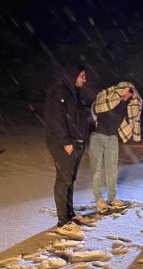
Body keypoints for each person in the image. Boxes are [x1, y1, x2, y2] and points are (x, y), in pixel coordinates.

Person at [44, 62, 92, 238]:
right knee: (64, 179)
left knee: (70, 178)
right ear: (73, 75)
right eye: (82, 76)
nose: (84, 80)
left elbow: (76, 118)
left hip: (76, 143)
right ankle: (62, 221)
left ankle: (69, 214)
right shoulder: (58, 91)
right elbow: (55, 118)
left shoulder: (73, 93)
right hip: (63, 144)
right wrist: (66, 141)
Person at [89, 81, 143, 212]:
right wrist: (117, 98)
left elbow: (135, 119)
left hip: (112, 138)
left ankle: (112, 199)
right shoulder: (107, 98)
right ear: (121, 89)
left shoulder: (129, 106)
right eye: (125, 92)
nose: (126, 96)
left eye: (130, 95)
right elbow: (96, 107)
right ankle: (99, 200)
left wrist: (136, 135)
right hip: (97, 137)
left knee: (112, 169)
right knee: (96, 169)